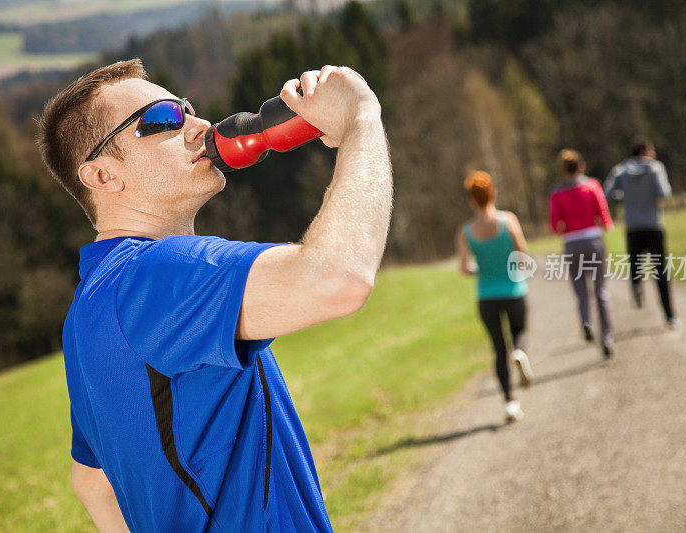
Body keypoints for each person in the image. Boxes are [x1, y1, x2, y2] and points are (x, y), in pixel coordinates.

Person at [37, 59, 392, 532]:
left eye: (187, 108)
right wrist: (362, 119)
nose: (200, 125)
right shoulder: (158, 273)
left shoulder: (86, 311)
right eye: (162, 120)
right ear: (102, 176)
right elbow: (339, 278)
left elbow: (92, 483)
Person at [457, 171, 534, 423]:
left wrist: (483, 268)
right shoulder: (508, 221)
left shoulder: (466, 231)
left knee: (498, 350)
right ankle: (520, 353)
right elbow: (522, 253)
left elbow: (465, 269)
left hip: (486, 297)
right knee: (520, 332)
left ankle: (510, 404)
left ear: (471, 199)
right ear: (493, 193)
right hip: (513, 291)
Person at [604, 136, 678, 328]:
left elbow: (607, 194)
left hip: (632, 227)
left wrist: (625, 195)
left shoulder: (620, 171)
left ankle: (636, 287)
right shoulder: (655, 168)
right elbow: (664, 193)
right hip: (653, 226)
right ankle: (670, 316)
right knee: (660, 271)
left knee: (635, 265)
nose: (654, 155)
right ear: (645, 151)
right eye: (651, 151)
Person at [548, 150, 615, 357]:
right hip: (593, 241)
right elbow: (603, 214)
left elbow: (555, 225)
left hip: (571, 245)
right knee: (600, 291)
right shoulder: (592, 186)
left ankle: (586, 322)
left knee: (581, 293)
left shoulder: (557, 193)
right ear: (581, 166)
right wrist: (605, 226)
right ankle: (606, 336)